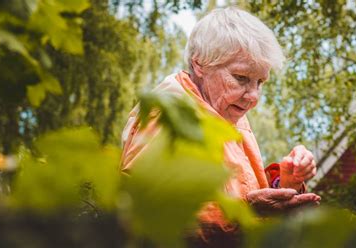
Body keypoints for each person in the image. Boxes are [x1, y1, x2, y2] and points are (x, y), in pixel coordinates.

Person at [120, 6, 321, 247]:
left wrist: (286, 182)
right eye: (241, 78)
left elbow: (241, 189)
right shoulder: (167, 117)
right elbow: (143, 217)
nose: (253, 96)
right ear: (200, 65)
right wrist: (246, 213)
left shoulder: (227, 111)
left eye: (261, 82)